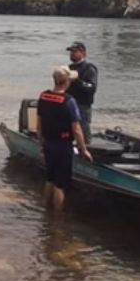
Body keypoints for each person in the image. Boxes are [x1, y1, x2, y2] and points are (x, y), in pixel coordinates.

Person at [36, 66, 93, 210]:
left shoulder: (43, 96)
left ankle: (43, 207)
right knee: (60, 184)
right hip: (63, 146)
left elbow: (39, 125)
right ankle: (57, 221)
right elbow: (77, 129)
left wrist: (41, 145)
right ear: (66, 82)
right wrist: (83, 149)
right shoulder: (69, 101)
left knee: (50, 179)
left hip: (48, 143)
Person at [66, 41, 98, 142]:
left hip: (83, 105)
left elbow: (91, 88)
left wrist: (77, 81)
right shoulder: (69, 68)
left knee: (84, 130)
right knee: (68, 129)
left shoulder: (89, 68)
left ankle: (87, 150)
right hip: (69, 103)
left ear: (83, 53)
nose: (72, 54)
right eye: (71, 52)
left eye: (74, 51)